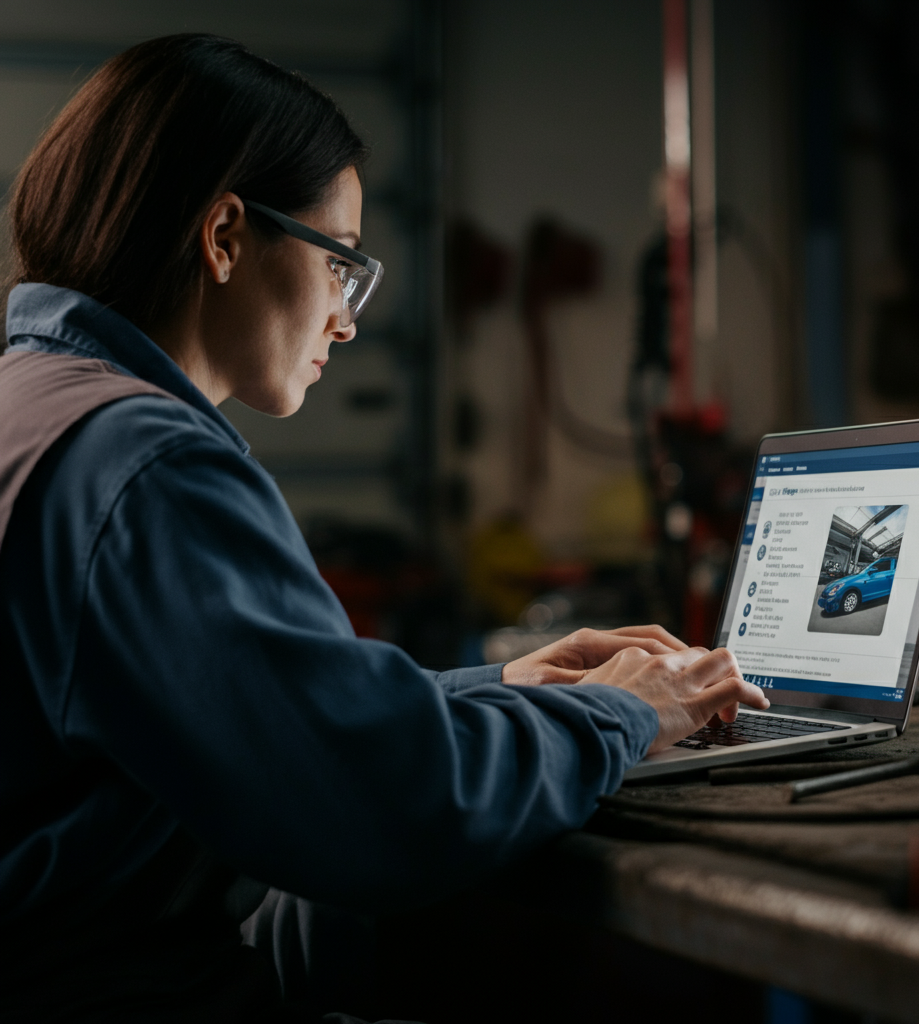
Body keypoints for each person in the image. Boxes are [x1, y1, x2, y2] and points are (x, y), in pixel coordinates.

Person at [0, 34, 769, 1023]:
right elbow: (379, 808)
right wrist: (622, 712)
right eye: (340, 266)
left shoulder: (37, 403)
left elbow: (260, 717)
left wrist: (503, 687)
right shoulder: (143, 461)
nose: (348, 320)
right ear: (226, 235)